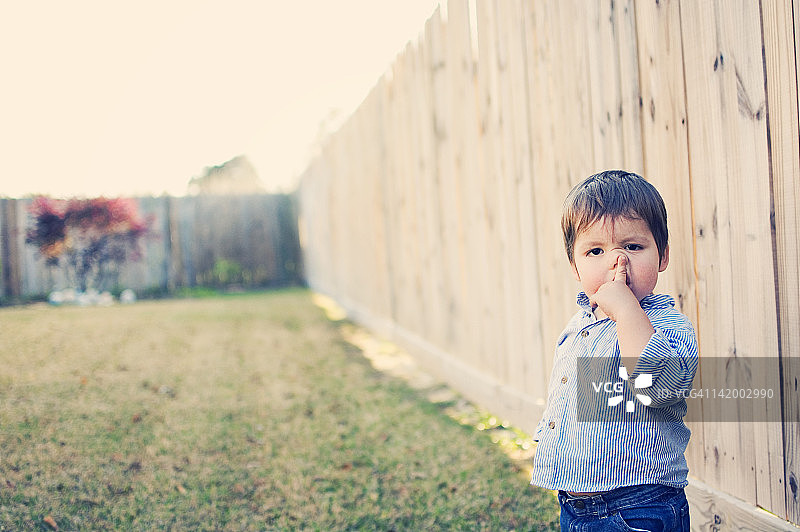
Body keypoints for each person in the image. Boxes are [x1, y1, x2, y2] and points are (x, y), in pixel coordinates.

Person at [530, 170, 698, 531]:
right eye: (595, 251)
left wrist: (625, 310)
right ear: (575, 266)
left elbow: (660, 390)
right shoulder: (579, 325)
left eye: (633, 247)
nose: (616, 262)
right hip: (576, 504)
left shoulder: (668, 325)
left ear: (663, 256)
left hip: (639, 504)